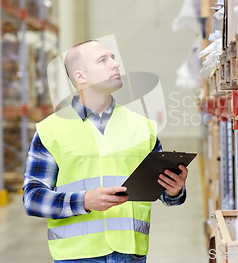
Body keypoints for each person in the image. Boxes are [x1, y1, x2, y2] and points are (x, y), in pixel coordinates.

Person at [22, 40, 188, 263]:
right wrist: (84, 201)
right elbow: (32, 198)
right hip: (77, 256)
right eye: (103, 60)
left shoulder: (143, 127)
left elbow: (162, 194)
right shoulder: (50, 130)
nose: (115, 64)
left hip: (131, 254)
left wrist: (174, 190)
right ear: (81, 76)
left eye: (113, 58)